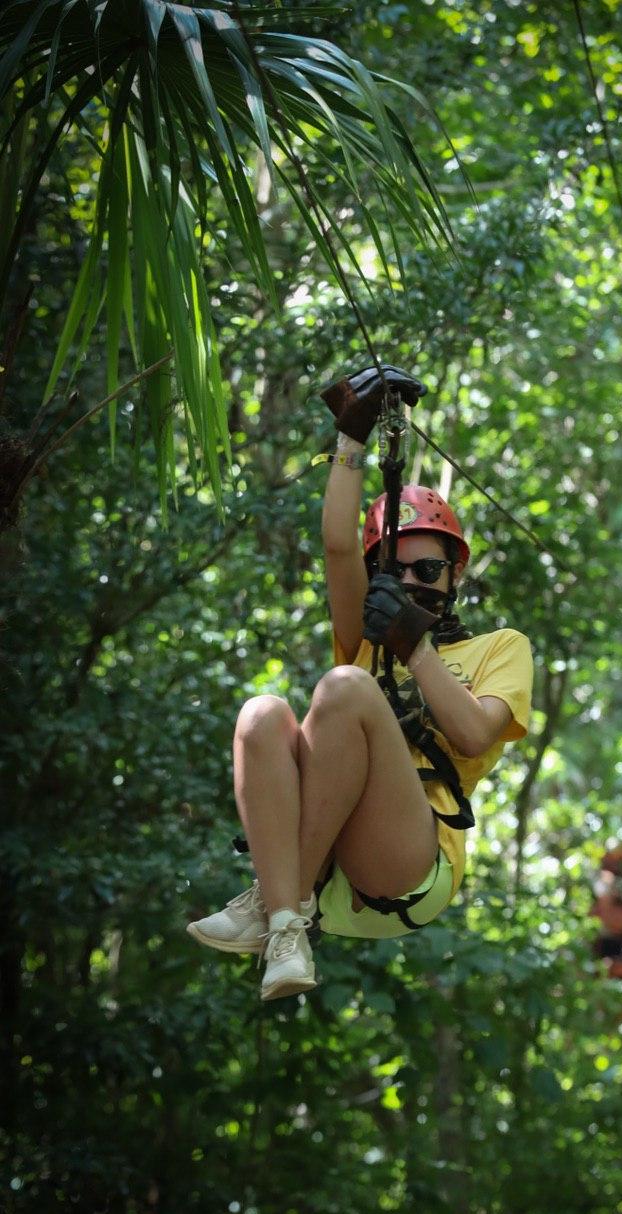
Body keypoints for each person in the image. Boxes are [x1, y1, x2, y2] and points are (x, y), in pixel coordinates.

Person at [187, 364, 533, 1000]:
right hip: (333, 859)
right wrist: (350, 441)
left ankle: (272, 898)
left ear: (455, 575)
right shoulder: (369, 636)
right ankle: (287, 924)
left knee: (346, 686)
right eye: (395, 572)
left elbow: (475, 732)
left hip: (409, 859)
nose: (413, 582)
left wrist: (414, 645)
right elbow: (338, 548)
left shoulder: (500, 649)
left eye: (428, 567)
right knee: (262, 713)